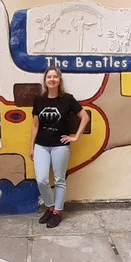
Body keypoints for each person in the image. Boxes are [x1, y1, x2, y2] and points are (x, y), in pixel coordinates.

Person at [30, 66, 90, 228]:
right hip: (41, 145)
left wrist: (76, 137)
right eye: (49, 77)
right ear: (45, 80)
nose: (52, 79)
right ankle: (50, 207)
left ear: (59, 80)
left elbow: (84, 117)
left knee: (59, 179)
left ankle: (57, 212)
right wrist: (32, 147)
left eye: (55, 77)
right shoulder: (39, 100)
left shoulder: (68, 99)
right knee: (41, 180)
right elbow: (35, 125)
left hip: (60, 146)